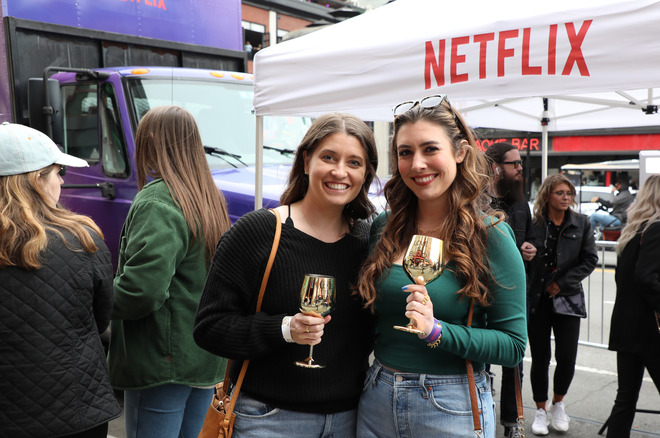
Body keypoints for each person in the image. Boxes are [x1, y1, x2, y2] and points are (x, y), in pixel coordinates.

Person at [193, 113, 378, 437]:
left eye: (354, 162)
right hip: (268, 420)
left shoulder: (368, 243)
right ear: (306, 161)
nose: (340, 171)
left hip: (351, 420)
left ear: (366, 173)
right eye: (329, 157)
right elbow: (209, 327)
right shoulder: (260, 231)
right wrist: (284, 329)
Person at [354, 95, 526, 438]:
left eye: (430, 149)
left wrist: (438, 332)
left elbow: (513, 346)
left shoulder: (491, 235)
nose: (417, 164)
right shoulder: (385, 227)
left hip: (451, 403)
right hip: (376, 395)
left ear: (459, 152)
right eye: (405, 152)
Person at [108, 106, 232, 438]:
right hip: (202, 358)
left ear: (150, 142)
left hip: (160, 361)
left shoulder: (157, 201)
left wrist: (95, 297)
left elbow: (141, 291)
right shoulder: (207, 197)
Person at [0, 122, 121, 437]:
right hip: (77, 406)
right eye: (58, 173)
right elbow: (99, 317)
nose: (62, 182)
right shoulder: (81, 238)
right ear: (37, 181)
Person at [606, 174, 660, 438]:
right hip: (650, 331)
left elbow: (627, 277)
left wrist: (658, 279)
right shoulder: (657, 228)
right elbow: (643, 279)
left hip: (626, 327)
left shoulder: (635, 228)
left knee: (625, 400)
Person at [526, 174, 597, 435]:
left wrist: (563, 282)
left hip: (567, 297)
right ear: (547, 195)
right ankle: (540, 409)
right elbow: (523, 256)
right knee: (540, 358)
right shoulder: (534, 224)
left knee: (567, 357)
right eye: (560, 192)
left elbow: (590, 259)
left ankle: (558, 403)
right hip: (537, 299)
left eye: (569, 193)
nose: (566, 197)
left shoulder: (581, 223)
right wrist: (526, 254)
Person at [485, 142, 536, 437]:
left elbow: (530, 238)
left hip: (516, 293)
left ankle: (512, 422)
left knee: (514, 361)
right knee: (483, 357)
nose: (519, 169)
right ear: (495, 167)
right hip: (482, 292)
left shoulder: (520, 202)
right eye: (514, 164)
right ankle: (484, 412)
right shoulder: (478, 202)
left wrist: (531, 248)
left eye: (520, 164)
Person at [589, 175, 633, 239]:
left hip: (618, 219)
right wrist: (599, 199)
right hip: (615, 218)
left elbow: (612, 201)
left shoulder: (626, 194)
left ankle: (588, 238)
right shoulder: (621, 194)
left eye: (619, 183)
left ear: (623, 185)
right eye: (616, 183)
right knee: (602, 225)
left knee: (593, 216)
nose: (616, 185)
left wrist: (612, 191)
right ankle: (602, 242)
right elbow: (609, 204)